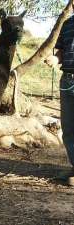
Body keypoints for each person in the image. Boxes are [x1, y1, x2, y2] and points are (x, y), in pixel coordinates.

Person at [45, 10, 74, 186]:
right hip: (67, 80)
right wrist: (55, 59)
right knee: (68, 127)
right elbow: (61, 51)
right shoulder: (68, 24)